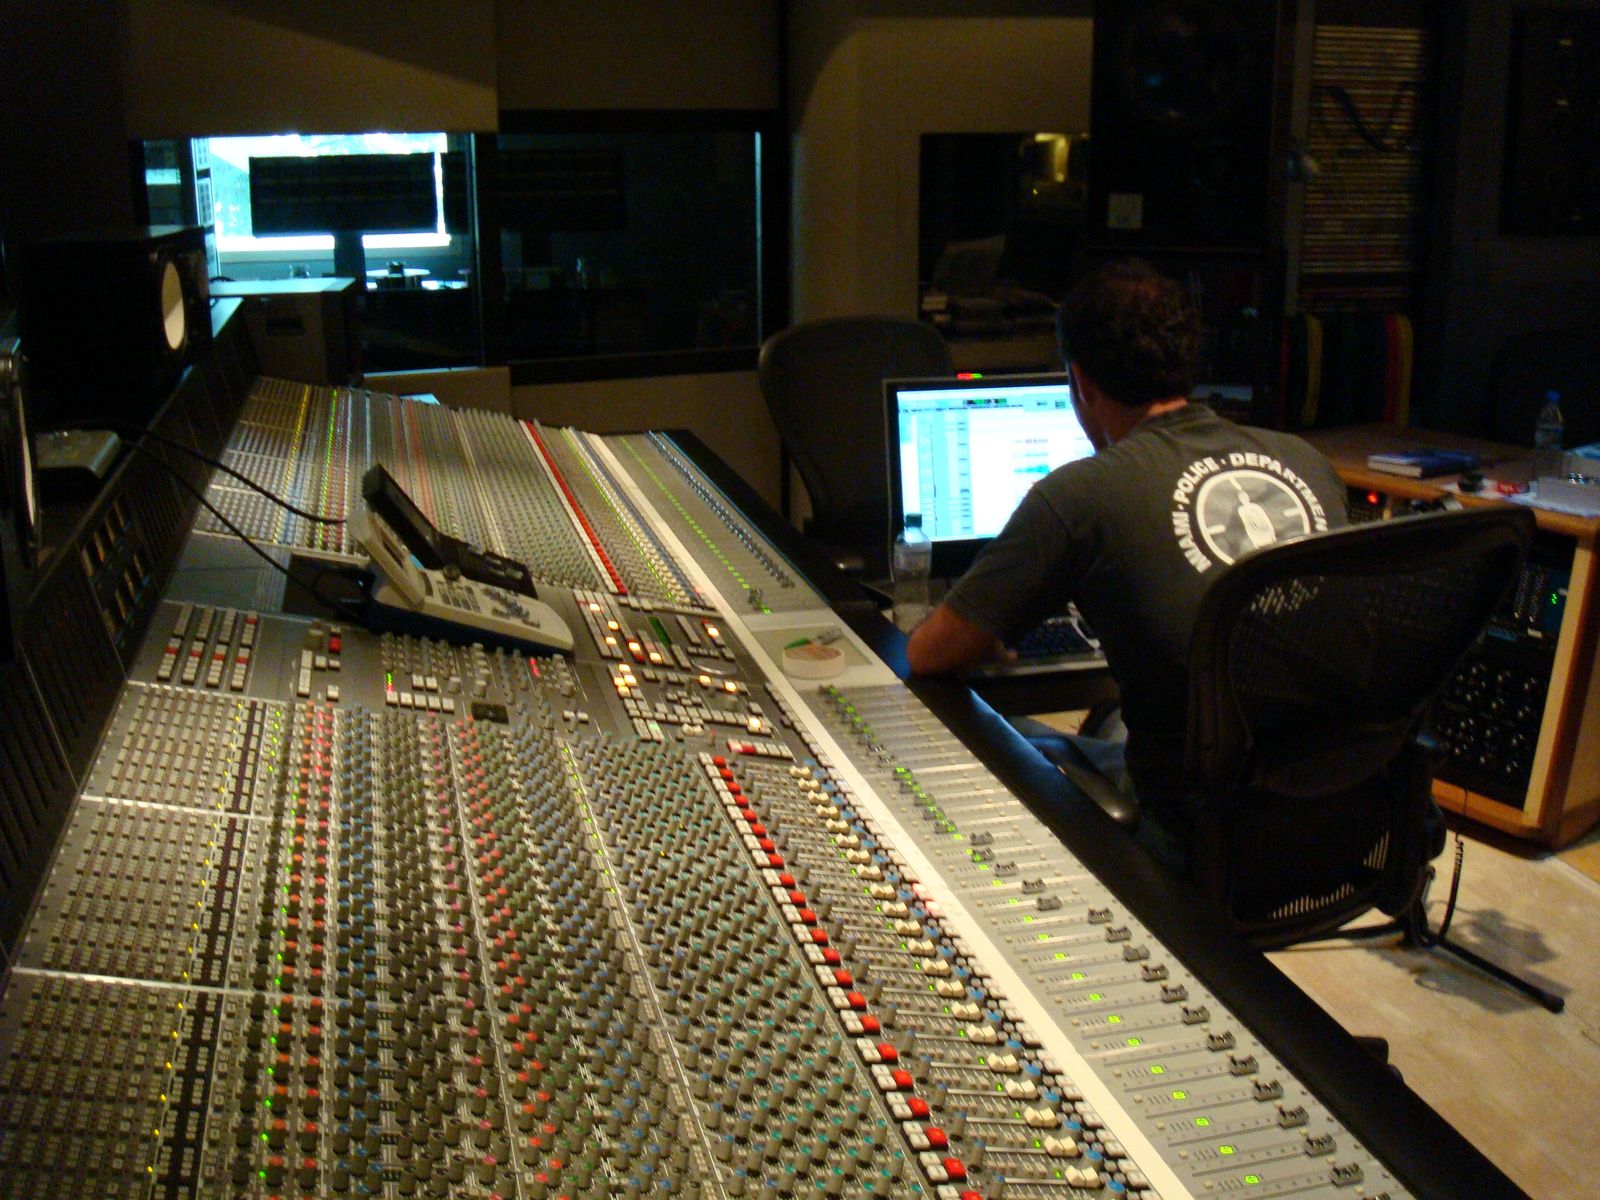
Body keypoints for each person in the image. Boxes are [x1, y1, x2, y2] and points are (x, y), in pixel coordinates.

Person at [906, 259, 1349, 868]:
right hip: (1339, 812)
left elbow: (929, 655)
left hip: (1198, 837)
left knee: (1003, 735)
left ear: (1081, 382)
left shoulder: (1080, 493)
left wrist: (984, 631)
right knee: (1113, 720)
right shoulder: (1307, 461)